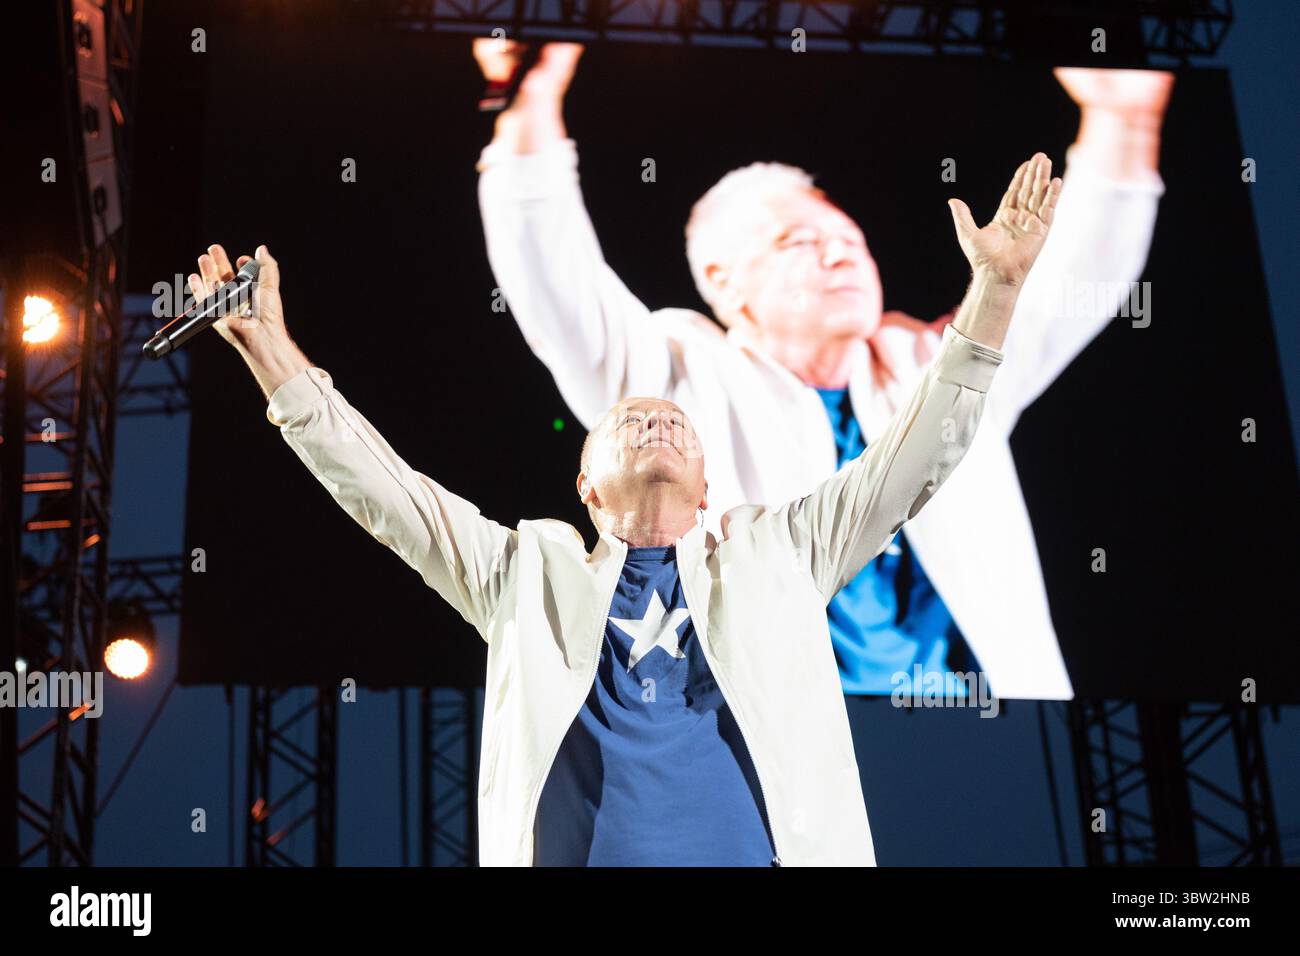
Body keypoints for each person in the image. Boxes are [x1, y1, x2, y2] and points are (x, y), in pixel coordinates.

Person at [189, 151, 1058, 865]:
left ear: (711, 486)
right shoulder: (522, 574)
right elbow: (385, 493)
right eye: (630, 420)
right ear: (583, 485)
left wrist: (997, 292)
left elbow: (917, 456)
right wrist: (271, 351)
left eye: (674, 420)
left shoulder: (781, 553)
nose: (653, 417)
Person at [474, 41, 1173, 699]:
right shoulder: (677, 378)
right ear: (724, 282)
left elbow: (1074, 280)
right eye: (799, 241)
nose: (841, 256)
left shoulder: (942, 370)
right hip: (784, 764)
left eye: (849, 239)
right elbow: (554, 283)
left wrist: (1125, 122)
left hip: (994, 739)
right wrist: (530, 107)